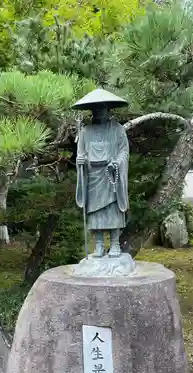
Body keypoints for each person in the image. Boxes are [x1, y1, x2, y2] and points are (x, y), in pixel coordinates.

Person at [73, 89, 130, 258]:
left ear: (108, 109)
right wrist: (80, 162)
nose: (98, 111)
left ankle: (115, 244)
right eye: (95, 109)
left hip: (110, 175)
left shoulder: (118, 130)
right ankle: (98, 245)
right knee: (94, 211)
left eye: (101, 108)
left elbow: (124, 152)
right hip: (92, 176)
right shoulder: (85, 132)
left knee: (113, 209)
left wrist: (117, 163)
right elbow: (80, 154)